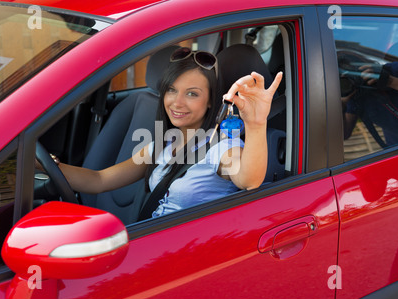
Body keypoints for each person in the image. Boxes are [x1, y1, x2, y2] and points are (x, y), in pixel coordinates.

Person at [49, 47, 283, 219]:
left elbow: (249, 180)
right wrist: (48, 167)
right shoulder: (163, 144)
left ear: (211, 101)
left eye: (192, 94)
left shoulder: (220, 146)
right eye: (172, 90)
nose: (177, 102)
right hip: (152, 244)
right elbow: (99, 180)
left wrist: (256, 122)